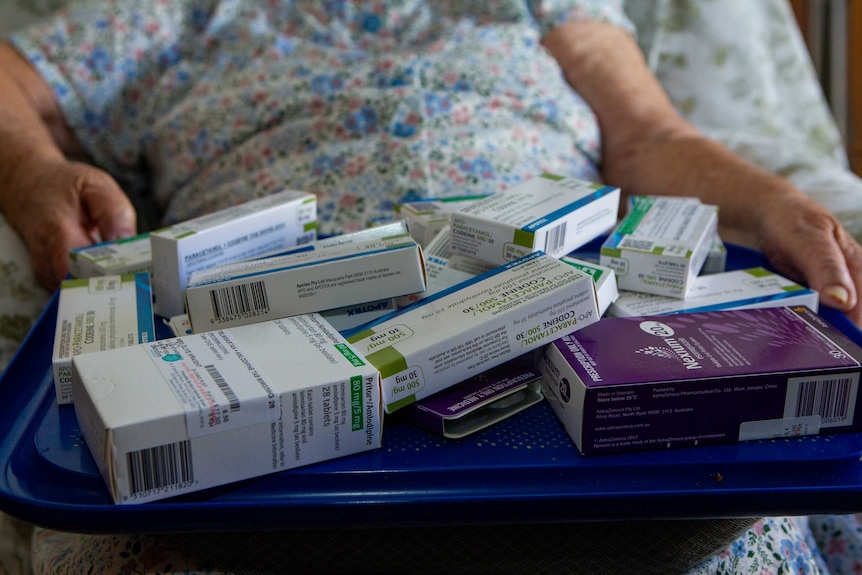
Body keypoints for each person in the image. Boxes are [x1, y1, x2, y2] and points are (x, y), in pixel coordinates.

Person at [1, 0, 862, 573]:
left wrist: (776, 204)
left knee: (742, 526)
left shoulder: (544, 5)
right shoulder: (176, 10)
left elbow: (647, 137)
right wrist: (34, 170)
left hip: (566, 313)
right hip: (274, 339)